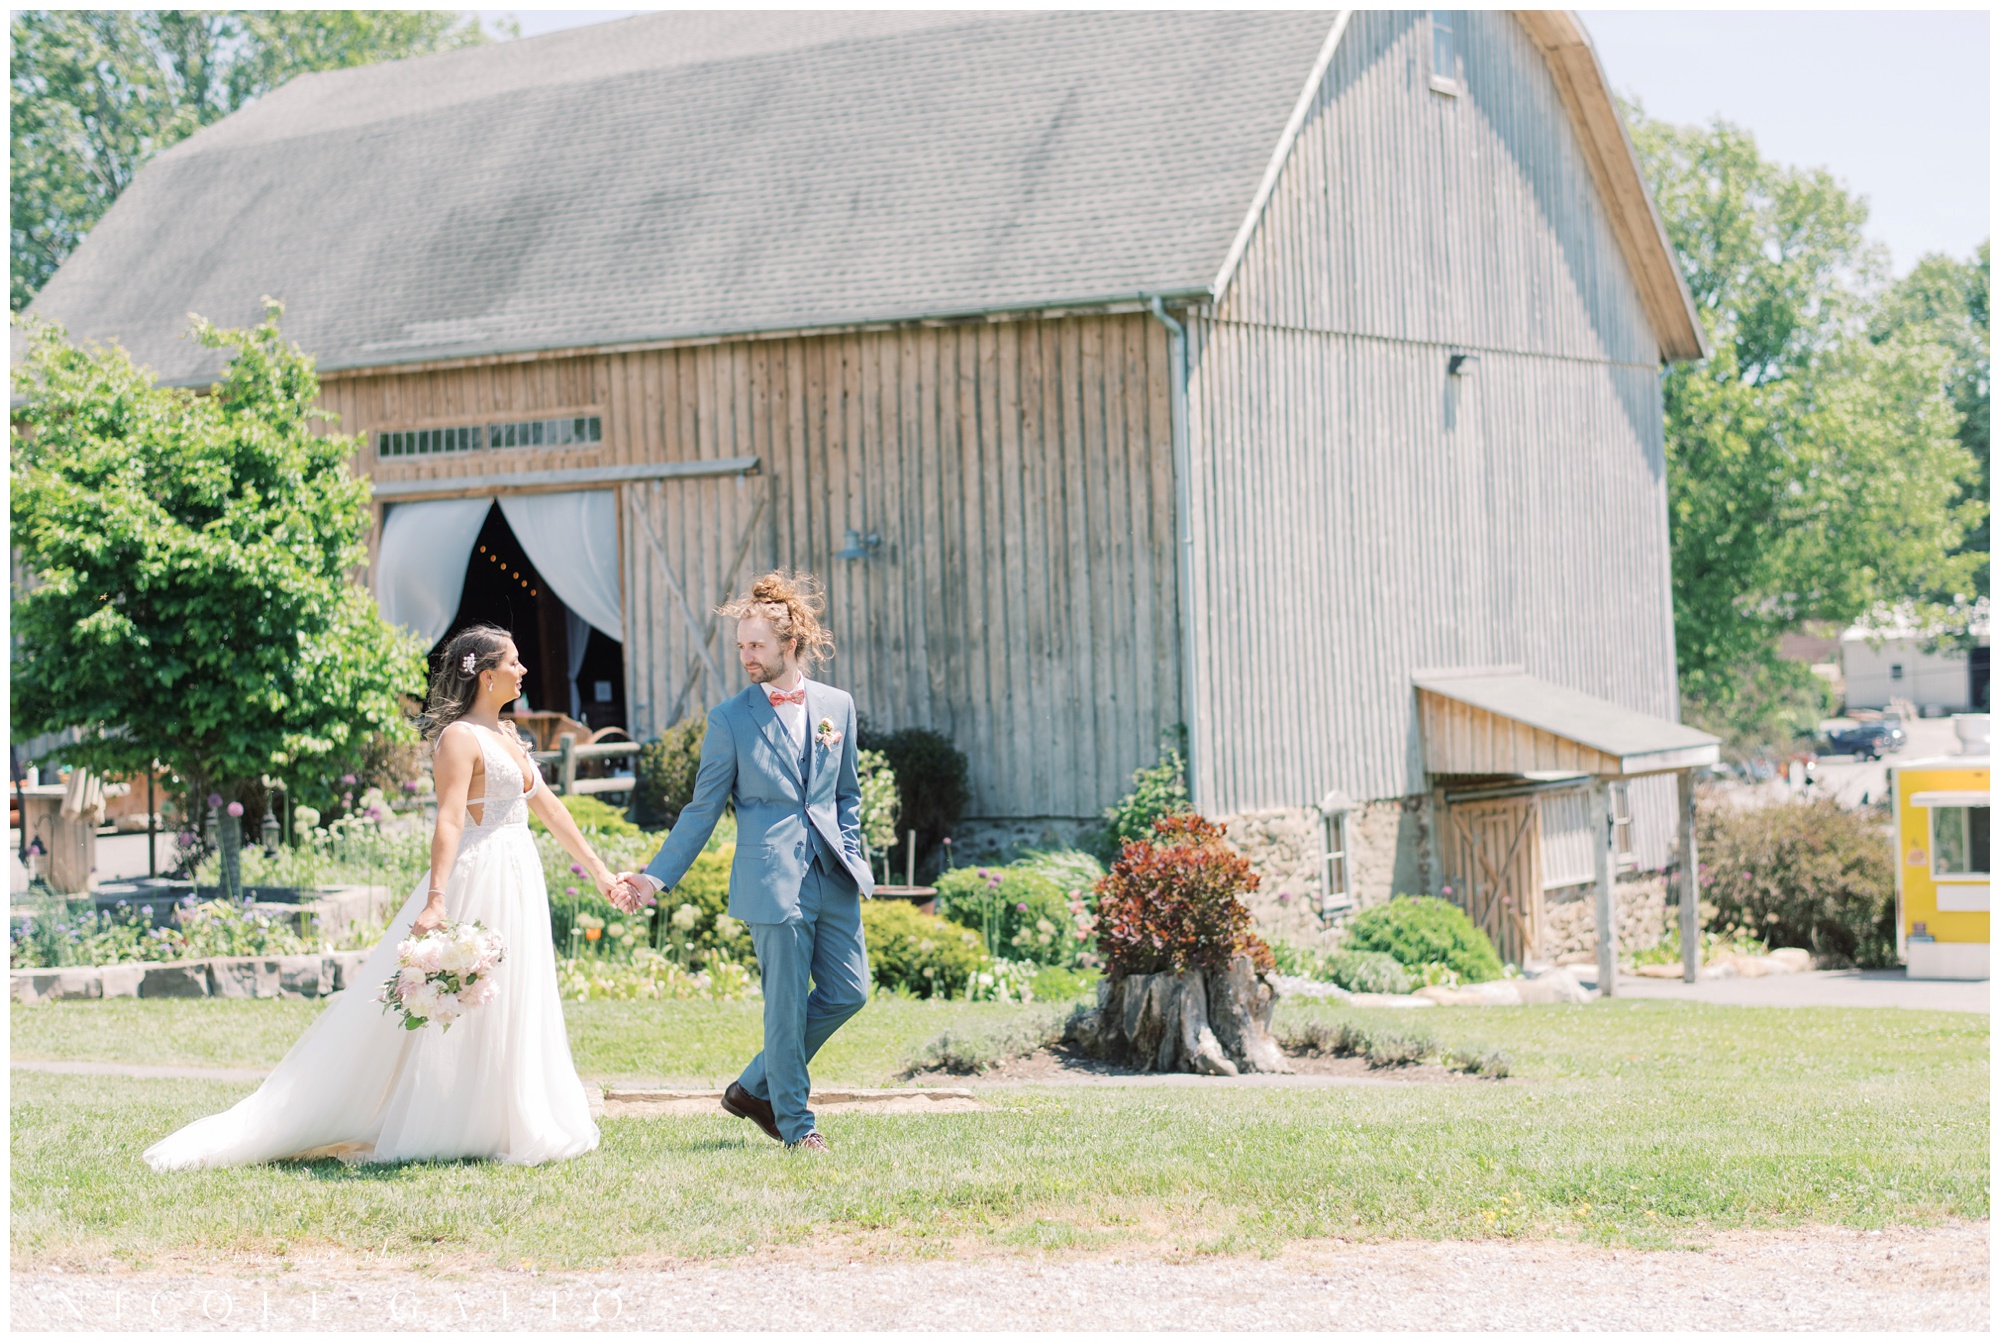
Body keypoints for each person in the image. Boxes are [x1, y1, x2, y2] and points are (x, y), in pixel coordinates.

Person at [143, 627, 611, 1170]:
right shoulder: (460, 738)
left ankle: (508, 1115)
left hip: (520, 874)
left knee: (516, 993)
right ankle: (449, 1115)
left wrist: (601, 873)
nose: (524, 670)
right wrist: (436, 901)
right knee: (469, 996)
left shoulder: (508, 734)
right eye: (515, 661)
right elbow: (450, 819)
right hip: (478, 877)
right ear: (486, 675)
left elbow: (550, 808)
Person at [612, 571, 872, 1152]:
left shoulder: (837, 707)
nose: (746, 657)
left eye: (756, 646)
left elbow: (846, 794)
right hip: (772, 880)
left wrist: (851, 852)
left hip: (834, 875)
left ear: (790, 643)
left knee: (850, 992)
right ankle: (798, 1126)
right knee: (783, 1008)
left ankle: (752, 1087)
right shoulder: (730, 718)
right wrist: (654, 877)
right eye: (741, 647)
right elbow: (702, 810)